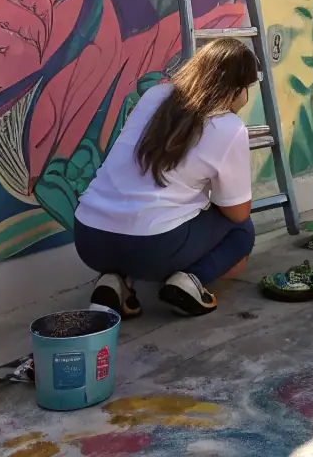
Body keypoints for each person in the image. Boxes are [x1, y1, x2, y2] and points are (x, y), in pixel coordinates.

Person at [73, 38, 259, 318]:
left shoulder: (155, 96)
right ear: (237, 89)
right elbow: (237, 212)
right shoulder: (229, 126)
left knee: (148, 217)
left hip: (89, 237)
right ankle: (189, 280)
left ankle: (114, 280)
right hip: (152, 247)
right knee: (242, 231)